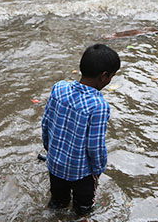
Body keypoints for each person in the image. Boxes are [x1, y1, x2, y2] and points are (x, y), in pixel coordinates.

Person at [41, 44, 120, 216]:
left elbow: (46, 122)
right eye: (111, 76)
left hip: (55, 165)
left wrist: (49, 148)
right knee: (83, 210)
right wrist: (98, 171)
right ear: (104, 76)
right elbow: (95, 146)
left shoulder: (59, 88)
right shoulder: (98, 106)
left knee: (57, 203)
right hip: (81, 174)